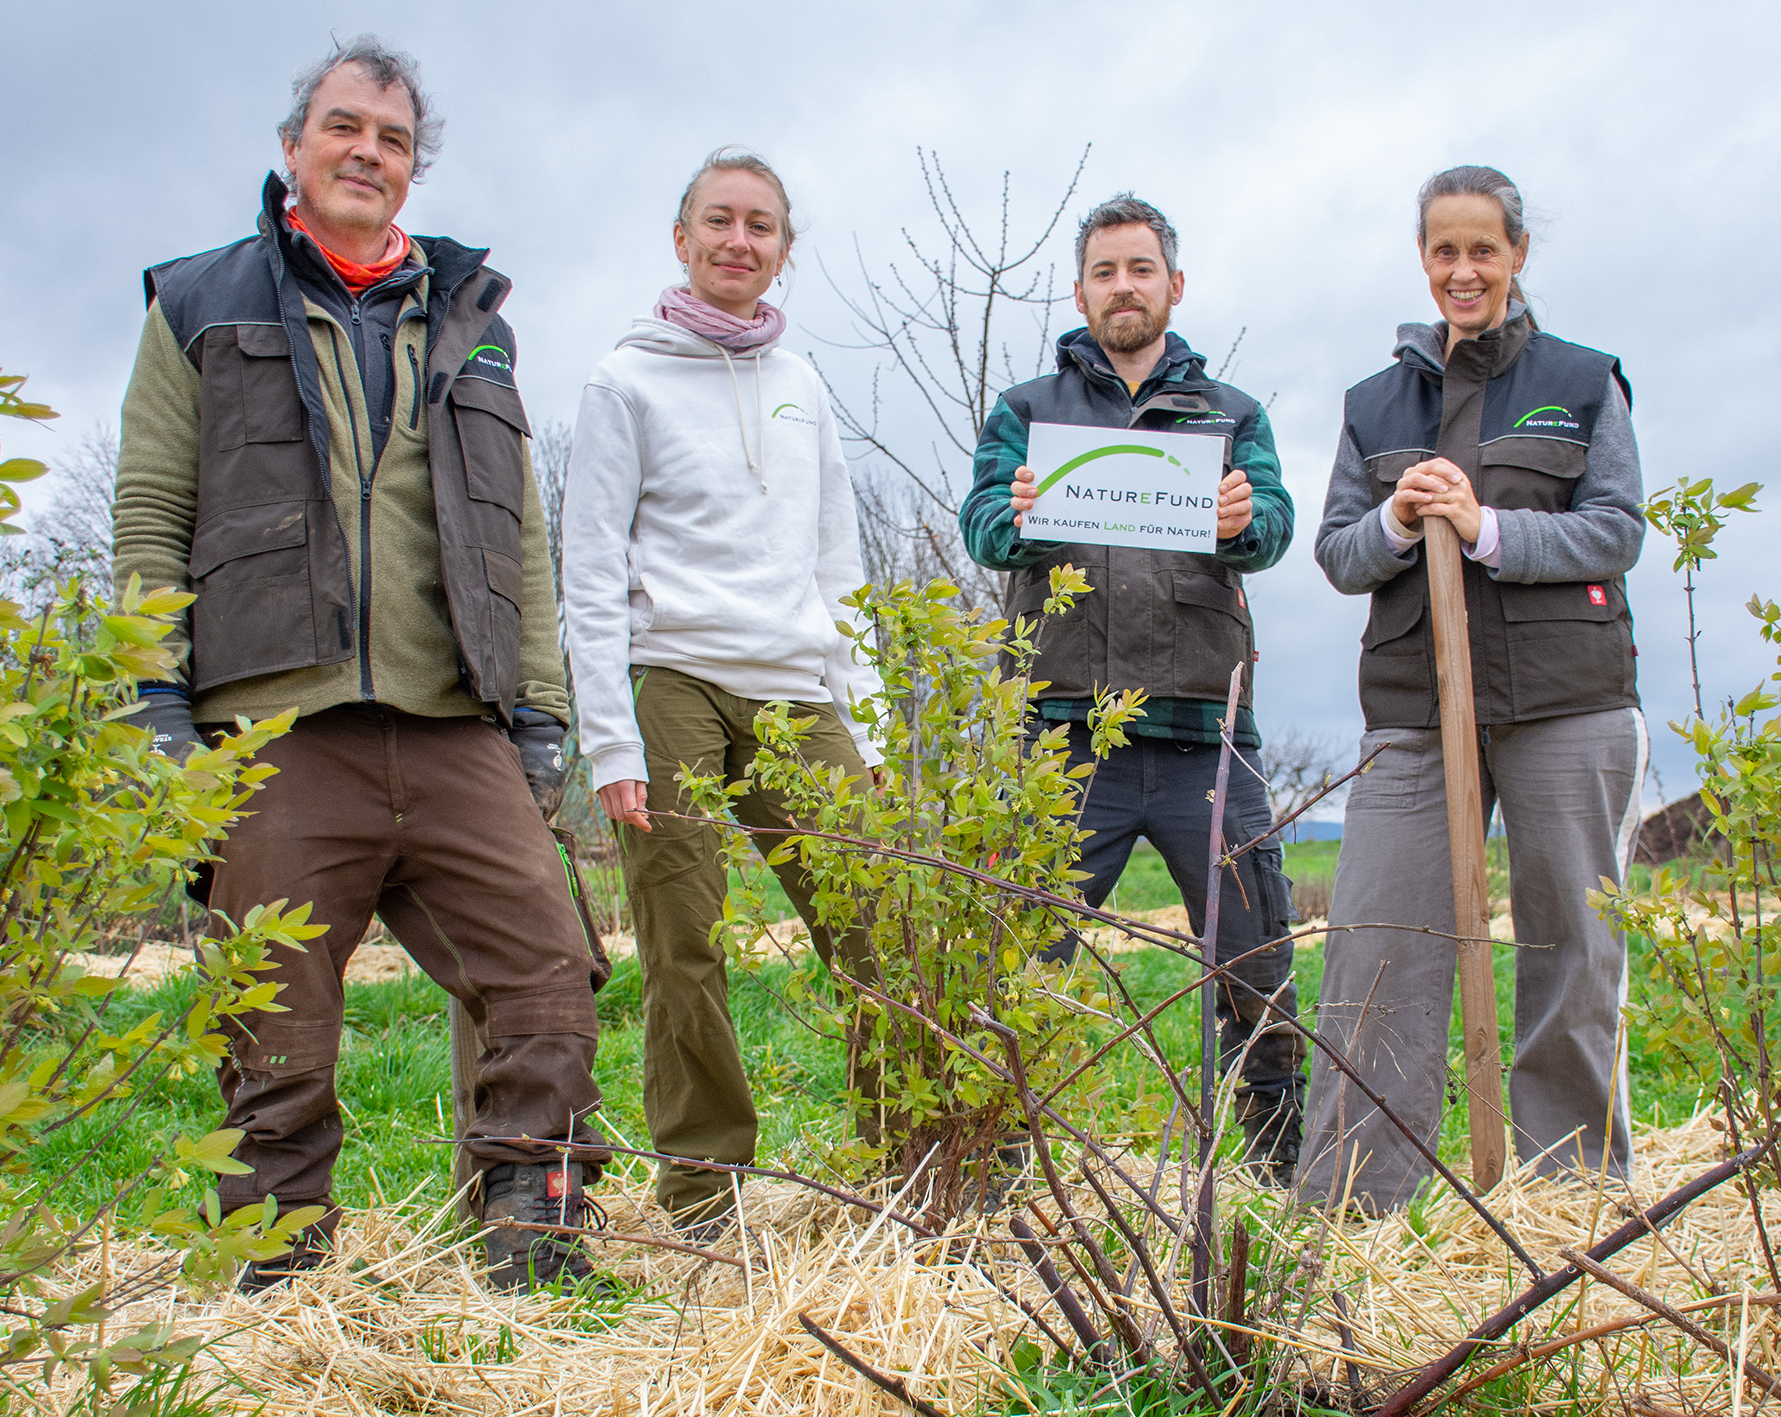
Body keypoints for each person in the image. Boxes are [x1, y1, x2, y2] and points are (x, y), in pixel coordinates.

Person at [110, 36, 611, 1293]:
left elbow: (519, 532)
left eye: (392, 139)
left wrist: (538, 711)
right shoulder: (198, 304)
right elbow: (150, 513)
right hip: (274, 724)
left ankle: (533, 1241)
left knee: (549, 972)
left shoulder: (473, 323)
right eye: (343, 128)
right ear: (294, 147)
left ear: (411, 168)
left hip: (454, 719)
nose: (366, 153)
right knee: (272, 1019)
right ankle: (279, 1277)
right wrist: (156, 702)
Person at [1296, 165, 1649, 1212]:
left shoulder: (1583, 381)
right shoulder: (1375, 404)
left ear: (1516, 255)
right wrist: (1399, 519)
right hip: (1414, 703)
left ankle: (1570, 1195)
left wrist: (1488, 529)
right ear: (1422, 257)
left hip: (1566, 698)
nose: (1463, 270)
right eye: (1444, 250)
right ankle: (1357, 1205)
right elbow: (1338, 553)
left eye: (1482, 250)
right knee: (1376, 947)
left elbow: (1616, 528)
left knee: (1571, 942)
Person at [562, 149, 884, 1236]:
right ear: (682, 237)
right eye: (718, 220)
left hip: (796, 688)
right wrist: (611, 743)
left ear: (784, 251)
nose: (737, 240)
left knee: (872, 920)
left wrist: (871, 725)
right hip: (674, 683)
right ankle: (702, 1192)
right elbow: (589, 568)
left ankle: (910, 1154)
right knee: (684, 944)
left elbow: (838, 562)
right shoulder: (624, 380)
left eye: (760, 225)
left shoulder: (803, 386)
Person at [958, 194, 1305, 1185]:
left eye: (1140, 269)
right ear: (1080, 293)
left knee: (1255, 956)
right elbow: (981, 525)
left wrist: (1244, 520)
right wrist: (1015, 514)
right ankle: (997, 1174)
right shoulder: (1026, 412)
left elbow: (1275, 527)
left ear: (1173, 286)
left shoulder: (1231, 415)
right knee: (1023, 961)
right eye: (1104, 271)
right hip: (1063, 736)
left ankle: (1276, 1169)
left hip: (1206, 733)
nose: (1123, 286)